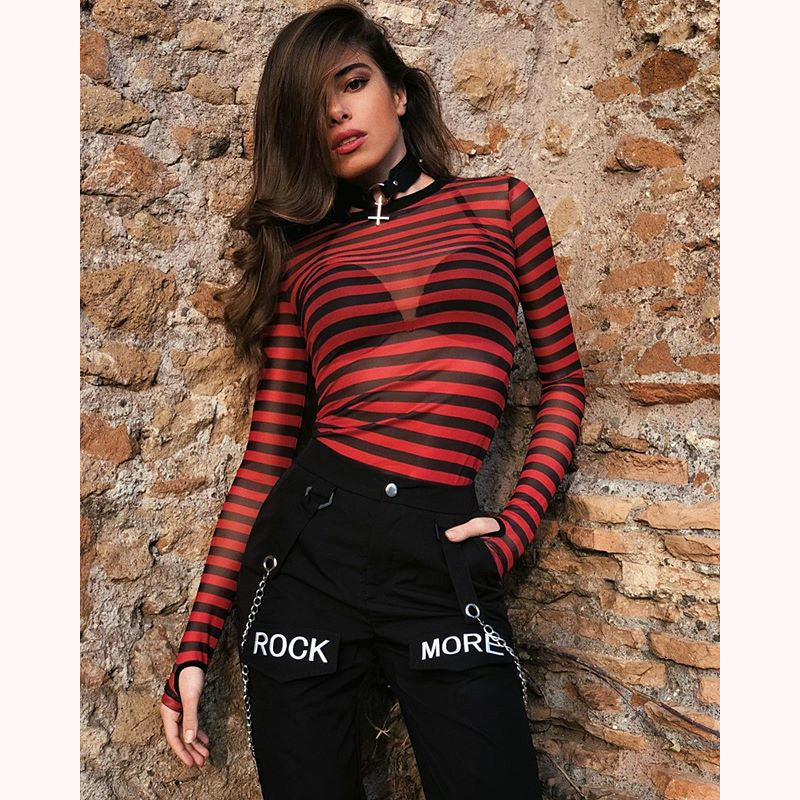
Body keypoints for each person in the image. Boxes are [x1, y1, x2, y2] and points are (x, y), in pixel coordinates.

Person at [159, 2, 587, 798]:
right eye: (314, 105)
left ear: (400, 92)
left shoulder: (501, 208)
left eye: (352, 83)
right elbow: (267, 458)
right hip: (310, 560)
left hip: (441, 555)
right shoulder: (305, 258)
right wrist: (195, 643)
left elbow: (564, 383)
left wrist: (511, 533)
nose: (337, 113)